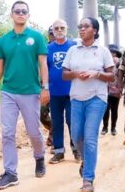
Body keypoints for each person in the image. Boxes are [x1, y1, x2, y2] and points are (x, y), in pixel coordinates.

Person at [0, 1, 50, 190]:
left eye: (24, 11)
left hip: (31, 92)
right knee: (7, 133)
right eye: (17, 11)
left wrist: (44, 87)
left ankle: (39, 157)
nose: (20, 14)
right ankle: (10, 173)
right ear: (11, 15)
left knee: (33, 132)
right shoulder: (3, 40)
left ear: (28, 15)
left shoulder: (37, 38)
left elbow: (43, 64)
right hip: (8, 92)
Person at [62, 17, 115, 192]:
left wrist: (96, 74)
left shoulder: (103, 51)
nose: (82, 29)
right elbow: (64, 74)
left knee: (90, 138)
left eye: (86, 26)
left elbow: (111, 76)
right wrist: (76, 73)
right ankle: (86, 159)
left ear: (95, 30)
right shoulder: (72, 50)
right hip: (76, 98)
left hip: (96, 98)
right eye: (80, 26)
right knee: (77, 136)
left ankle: (88, 179)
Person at [47, 19, 80, 164]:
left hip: (72, 91)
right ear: (52, 31)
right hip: (54, 92)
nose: (59, 30)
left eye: (62, 28)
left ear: (66, 29)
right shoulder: (47, 48)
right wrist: (44, 88)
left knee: (72, 121)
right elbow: (43, 69)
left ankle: (76, 149)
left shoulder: (74, 46)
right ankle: (59, 151)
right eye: (56, 28)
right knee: (56, 122)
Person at [102, 44, 123, 136]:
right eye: (111, 53)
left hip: (116, 91)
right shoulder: (103, 64)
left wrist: (121, 88)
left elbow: (122, 77)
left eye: (114, 53)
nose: (112, 55)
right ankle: (105, 127)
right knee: (105, 110)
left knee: (114, 110)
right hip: (105, 90)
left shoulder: (120, 65)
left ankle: (113, 128)